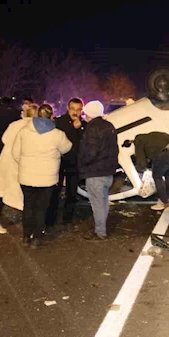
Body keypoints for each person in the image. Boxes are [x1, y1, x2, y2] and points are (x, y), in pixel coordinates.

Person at [12, 104, 72, 247]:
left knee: (28, 206)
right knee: (41, 207)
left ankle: (26, 236)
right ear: (51, 116)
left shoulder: (24, 131)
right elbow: (67, 147)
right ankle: (37, 238)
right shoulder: (57, 134)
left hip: (26, 176)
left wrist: (25, 164)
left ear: (37, 115)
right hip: (47, 178)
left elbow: (15, 153)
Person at [0, 102, 39, 234]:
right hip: (20, 163)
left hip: (6, 161)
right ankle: (31, 228)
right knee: (27, 195)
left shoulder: (14, 124)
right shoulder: (33, 127)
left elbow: (4, 139)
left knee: (1, 192)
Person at [76, 100, 118, 239]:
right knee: (103, 201)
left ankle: (100, 232)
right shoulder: (109, 126)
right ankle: (101, 229)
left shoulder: (92, 128)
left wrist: (81, 163)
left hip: (95, 172)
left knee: (97, 204)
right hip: (108, 171)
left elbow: (91, 152)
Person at [47, 98, 86, 227]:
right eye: (73, 109)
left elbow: (85, 143)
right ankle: (51, 219)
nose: (75, 112)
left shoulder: (84, 125)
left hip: (74, 163)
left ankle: (67, 219)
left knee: (71, 192)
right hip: (59, 161)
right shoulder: (59, 122)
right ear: (68, 109)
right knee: (55, 191)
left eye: (78, 110)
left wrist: (79, 129)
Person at [124, 131, 169, 211]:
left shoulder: (139, 141)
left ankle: (164, 202)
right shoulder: (151, 136)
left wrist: (143, 168)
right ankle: (168, 197)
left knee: (157, 176)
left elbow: (141, 161)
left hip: (165, 153)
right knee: (167, 173)